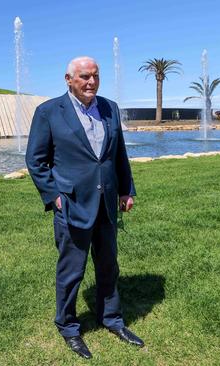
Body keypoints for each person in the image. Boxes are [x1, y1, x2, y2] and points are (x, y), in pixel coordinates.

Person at [25, 56, 143, 359]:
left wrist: (126, 190)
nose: (91, 82)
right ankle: (68, 326)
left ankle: (112, 319)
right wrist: (54, 196)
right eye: (84, 77)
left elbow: (118, 154)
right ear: (68, 79)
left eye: (95, 76)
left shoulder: (109, 108)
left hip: (106, 203)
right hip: (72, 204)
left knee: (108, 265)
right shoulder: (49, 112)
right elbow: (36, 161)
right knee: (71, 271)